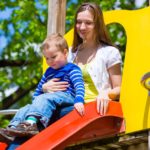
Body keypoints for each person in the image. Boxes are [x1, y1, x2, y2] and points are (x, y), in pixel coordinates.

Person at [2, 2, 122, 149]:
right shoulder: (70, 52)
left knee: (39, 117)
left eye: (88, 23)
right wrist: (46, 87)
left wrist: (106, 94)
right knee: (29, 111)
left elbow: (119, 88)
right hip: (63, 102)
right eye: (78, 22)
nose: (82, 27)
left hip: (87, 107)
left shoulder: (109, 52)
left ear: (97, 24)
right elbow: (55, 77)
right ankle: (13, 133)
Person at [0, 33, 85, 142]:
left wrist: (79, 100)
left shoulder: (72, 69)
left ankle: (31, 124)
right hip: (50, 99)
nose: (50, 61)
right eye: (47, 58)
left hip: (67, 97)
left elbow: (79, 85)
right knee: (25, 107)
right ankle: (12, 129)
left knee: (44, 98)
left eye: (53, 57)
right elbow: (38, 92)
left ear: (65, 52)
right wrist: (34, 103)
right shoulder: (48, 72)